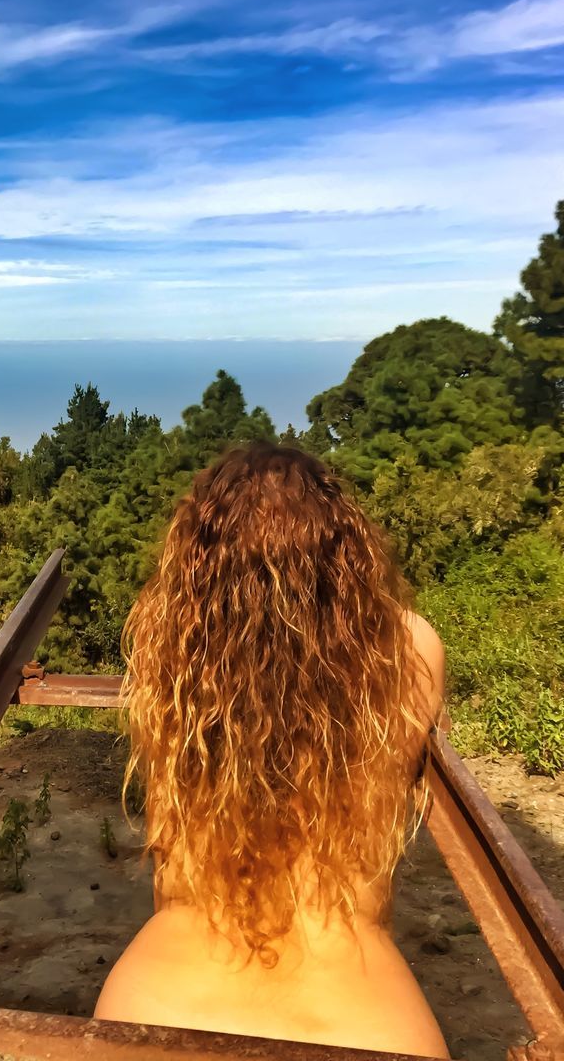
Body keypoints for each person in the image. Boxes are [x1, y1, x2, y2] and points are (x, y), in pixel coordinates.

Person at [95, 442, 448, 1058]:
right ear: (347, 547)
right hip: (365, 1014)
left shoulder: (168, 643)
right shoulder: (411, 648)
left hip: (158, 999)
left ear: (200, 553)